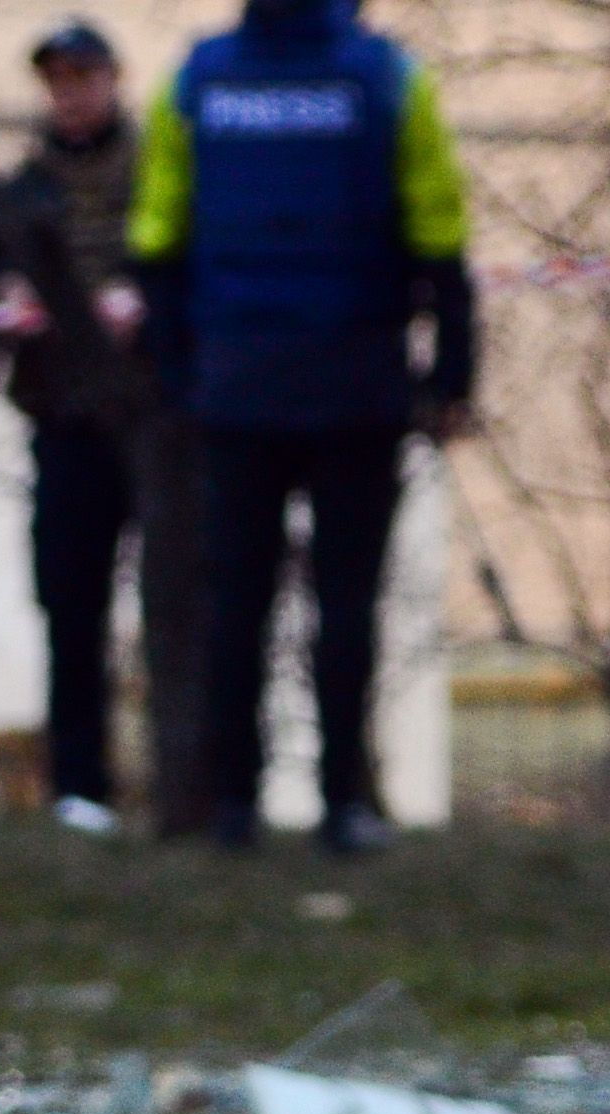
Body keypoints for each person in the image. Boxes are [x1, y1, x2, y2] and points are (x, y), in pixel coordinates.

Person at [126, 0, 471, 856]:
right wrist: (453, 373)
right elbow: (440, 230)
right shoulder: (390, 80)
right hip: (359, 382)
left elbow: (158, 236)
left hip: (235, 384)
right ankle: (341, 808)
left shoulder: (197, 80)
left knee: (234, 598)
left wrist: (179, 375)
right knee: (347, 602)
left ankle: (233, 807)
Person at [0, 20, 143, 837]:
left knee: (189, 601)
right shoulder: (20, 190)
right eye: (57, 80)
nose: (71, 94)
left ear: (112, 80)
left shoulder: (161, 174)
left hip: (159, 421)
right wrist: (4, 292)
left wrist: (148, 300)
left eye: (83, 77)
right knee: (71, 603)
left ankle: (206, 783)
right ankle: (80, 786)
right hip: (64, 420)